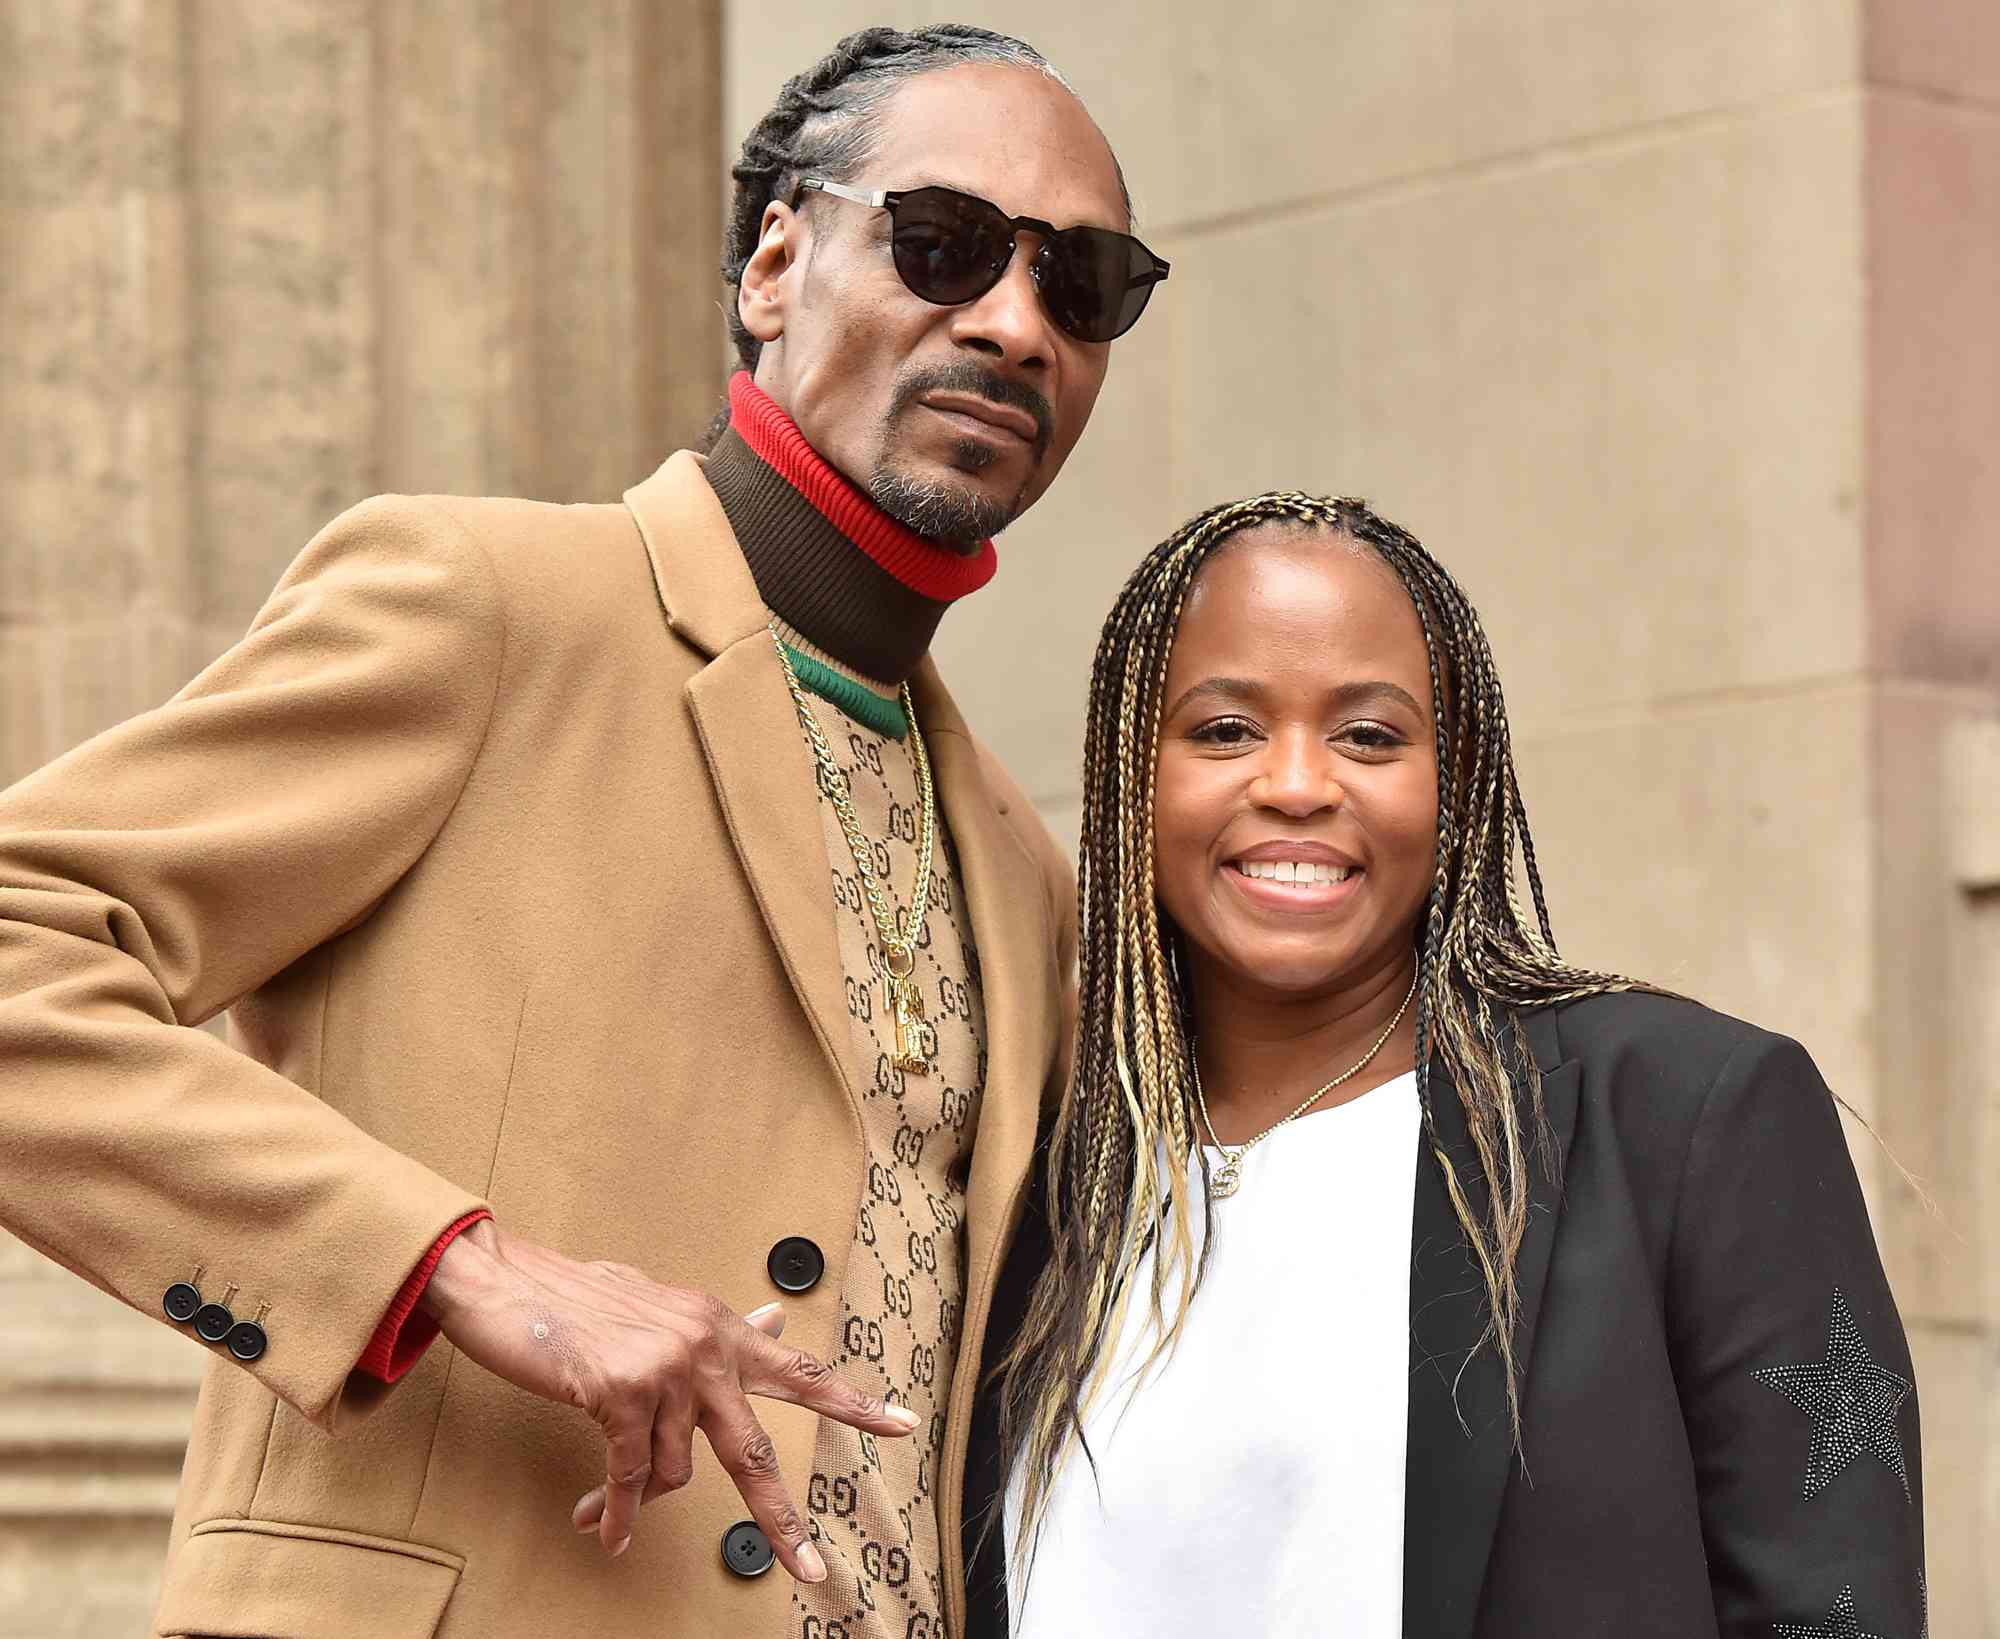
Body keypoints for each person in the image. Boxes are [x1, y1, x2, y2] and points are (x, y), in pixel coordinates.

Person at [0, 25, 1169, 1639]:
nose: (1015, 324)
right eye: (944, 245)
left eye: (1081, 287)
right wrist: (459, 1264)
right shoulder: (485, 609)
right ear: (775, 263)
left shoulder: (1024, 871)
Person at [961, 493, 1927, 1638]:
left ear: (1453, 779)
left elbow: (1833, 1607)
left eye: (1368, 734)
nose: (1295, 782)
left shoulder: (1674, 1114)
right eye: (1223, 729)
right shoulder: (1036, 1163)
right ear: (1131, 772)